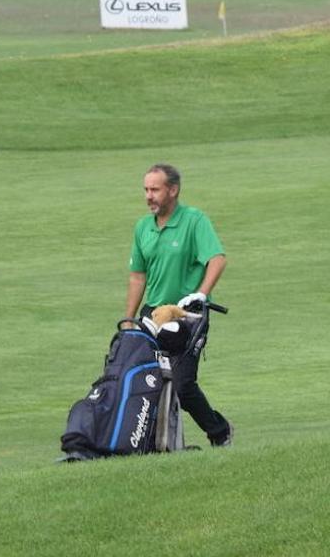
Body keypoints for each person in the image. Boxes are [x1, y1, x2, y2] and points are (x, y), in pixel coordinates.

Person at [125, 163, 233, 447]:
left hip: (188, 314)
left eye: (155, 189)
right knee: (148, 381)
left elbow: (217, 258)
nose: (149, 196)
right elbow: (138, 277)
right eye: (146, 190)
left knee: (183, 385)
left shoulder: (194, 221)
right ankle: (158, 443)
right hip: (153, 314)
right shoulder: (142, 227)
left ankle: (219, 432)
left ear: (173, 190)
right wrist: (128, 317)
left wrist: (201, 293)